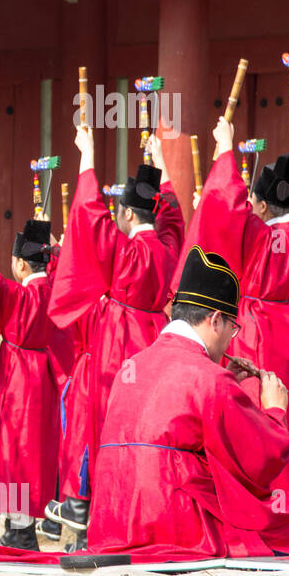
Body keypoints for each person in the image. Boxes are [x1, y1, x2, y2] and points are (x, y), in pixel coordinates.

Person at [89, 245, 289, 560]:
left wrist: (224, 383)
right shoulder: (210, 379)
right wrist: (274, 410)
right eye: (233, 328)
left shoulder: (130, 366)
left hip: (112, 523)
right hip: (173, 521)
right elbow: (260, 460)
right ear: (216, 319)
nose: (232, 338)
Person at [45, 129, 184, 545]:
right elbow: (174, 220)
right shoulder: (167, 249)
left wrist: (87, 156)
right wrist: (162, 172)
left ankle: (86, 517)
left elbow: (89, 216)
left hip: (118, 346)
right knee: (147, 432)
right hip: (156, 342)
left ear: (125, 215)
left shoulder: (123, 252)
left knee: (102, 427)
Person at [180, 113, 289, 501]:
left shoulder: (259, 238)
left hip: (258, 331)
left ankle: (257, 502)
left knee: (254, 418)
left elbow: (228, 208)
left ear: (261, 206)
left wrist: (226, 149)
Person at [0, 215, 62, 550]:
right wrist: (56, 245)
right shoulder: (54, 289)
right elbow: (65, 265)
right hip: (45, 375)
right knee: (35, 450)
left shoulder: (19, 296)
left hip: (18, 376)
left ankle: (19, 530)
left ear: (20, 264)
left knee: (15, 450)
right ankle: (23, 526)